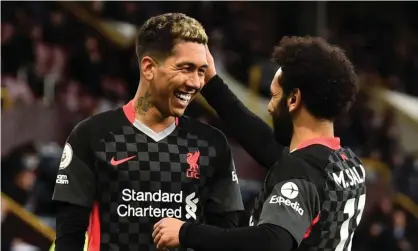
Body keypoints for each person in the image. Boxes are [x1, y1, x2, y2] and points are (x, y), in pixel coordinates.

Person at [153, 36, 366, 251]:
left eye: (274, 96)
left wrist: (186, 232)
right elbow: (265, 144)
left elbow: (271, 241)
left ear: (293, 100)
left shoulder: (300, 170)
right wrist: (211, 83)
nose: (270, 107)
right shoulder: (347, 163)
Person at [52, 13, 243, 251]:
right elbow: (68, 237)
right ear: (149, 67)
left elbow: (227, 237)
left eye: (202, 71)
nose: (195, 83)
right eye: (186, 68)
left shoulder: (212, 144)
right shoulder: (92, 136)